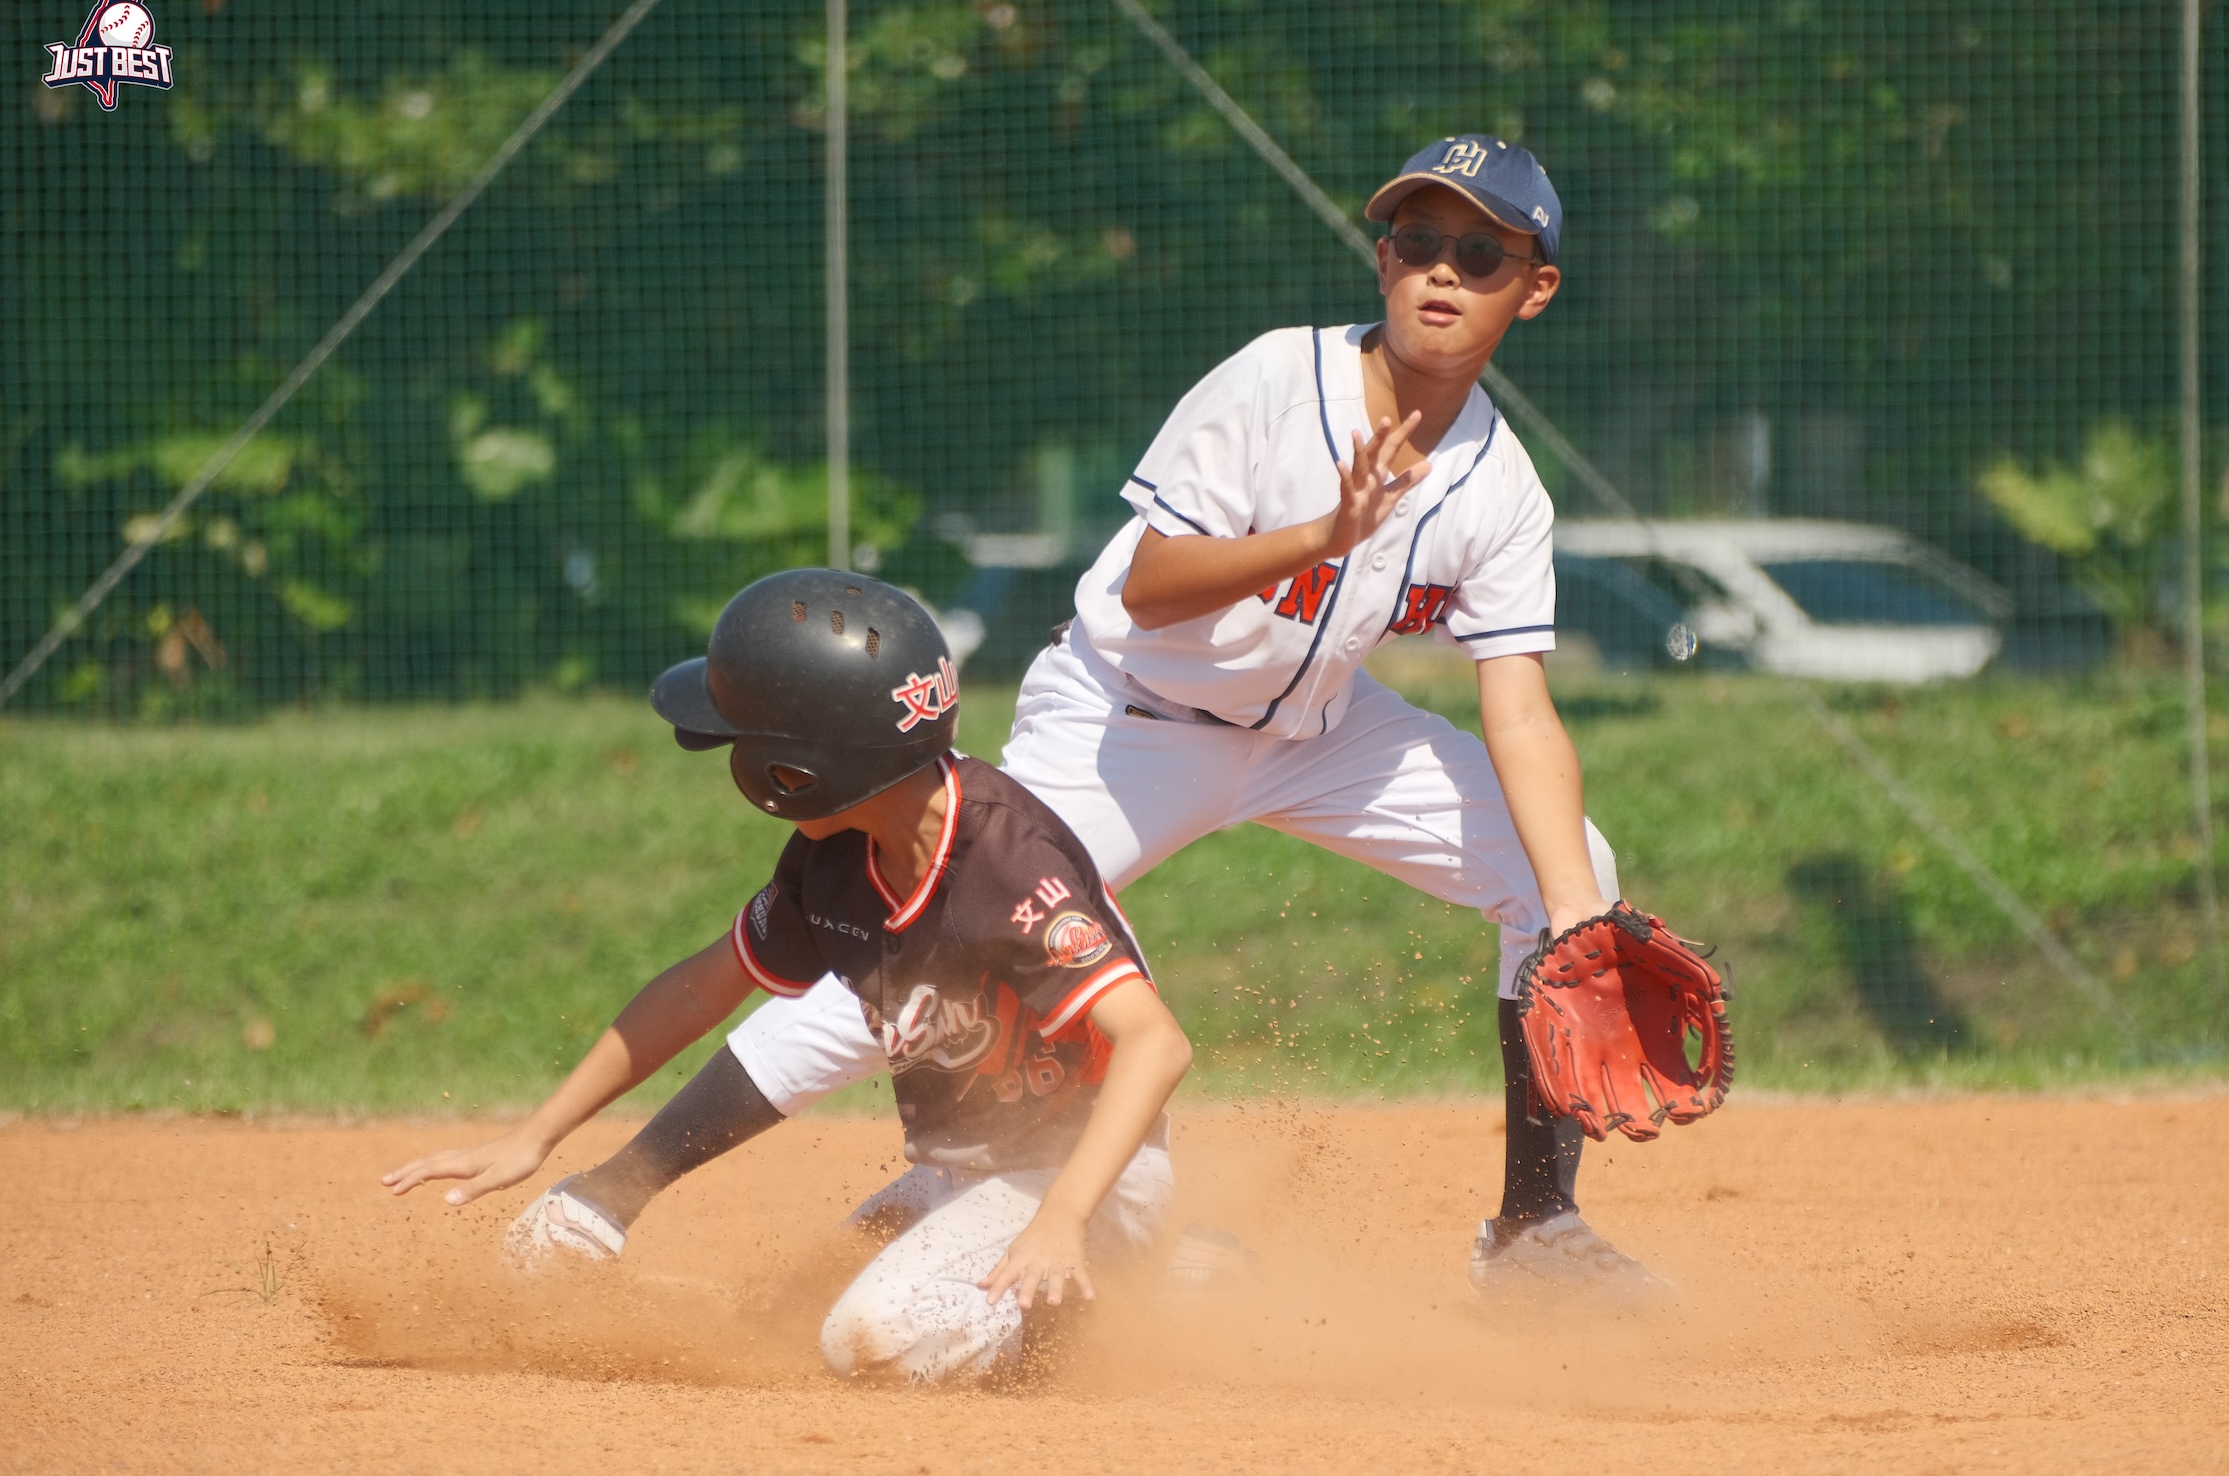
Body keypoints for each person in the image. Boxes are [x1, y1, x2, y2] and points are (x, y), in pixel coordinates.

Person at [501, 132, 1659, 1295]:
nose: (1441, 271)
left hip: (1317, 731)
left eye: (1479, 251)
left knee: (1574, 871)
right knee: (927, 946)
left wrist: (1569, 917)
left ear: (1534, 289)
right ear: (1381, 260)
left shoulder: (1501, 485)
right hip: (1126, 717)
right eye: (1417, 241)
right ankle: (610, 1196)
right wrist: (1320, 537)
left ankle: (1531, 1228)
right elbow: (1153, 585)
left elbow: (1517, 709)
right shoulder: (1272, 382)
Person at [382, 570, 1194, 1383]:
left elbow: (1156, 1045)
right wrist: (537, 1134)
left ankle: (1103, 1304)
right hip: (967, 1174)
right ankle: (1172, 1270)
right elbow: (701, 987)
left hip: (1089, 1182)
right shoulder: (835, 857)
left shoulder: (1006, 860)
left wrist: (1060, 1218)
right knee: (786, 1327)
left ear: (797, 770)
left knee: (872, 1338)